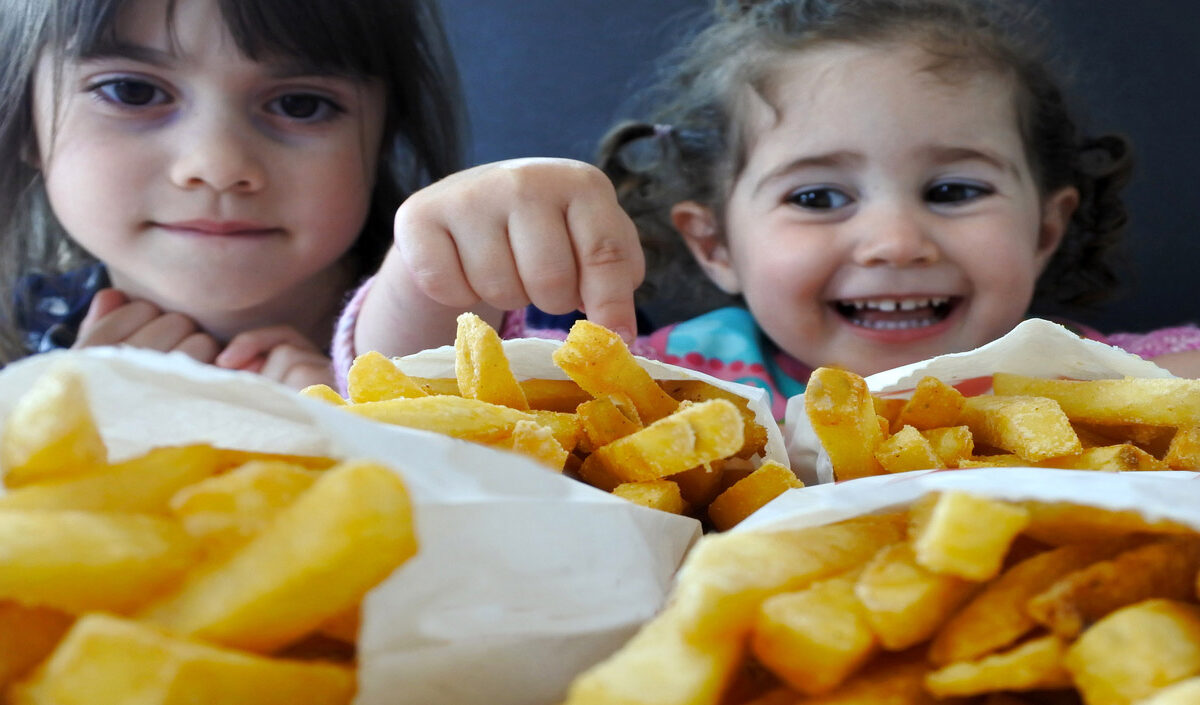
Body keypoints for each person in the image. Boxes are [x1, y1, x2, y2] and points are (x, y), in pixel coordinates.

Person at [337, 0, 1200, 416]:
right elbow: (423, 398)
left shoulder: (1116, 388)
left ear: (1045, 229)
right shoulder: (663, 384)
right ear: (714, 243)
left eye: (953, 190)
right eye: (819, 196)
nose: (896, 240)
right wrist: (434, 271)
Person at [0, 0, 466, 390]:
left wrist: (370, 438)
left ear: (385, 135)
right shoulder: (20, 358)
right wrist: (55, 432)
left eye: (299, 104)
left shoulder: (479, 334)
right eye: (133, 92)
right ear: (25, 122)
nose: (218, 167)